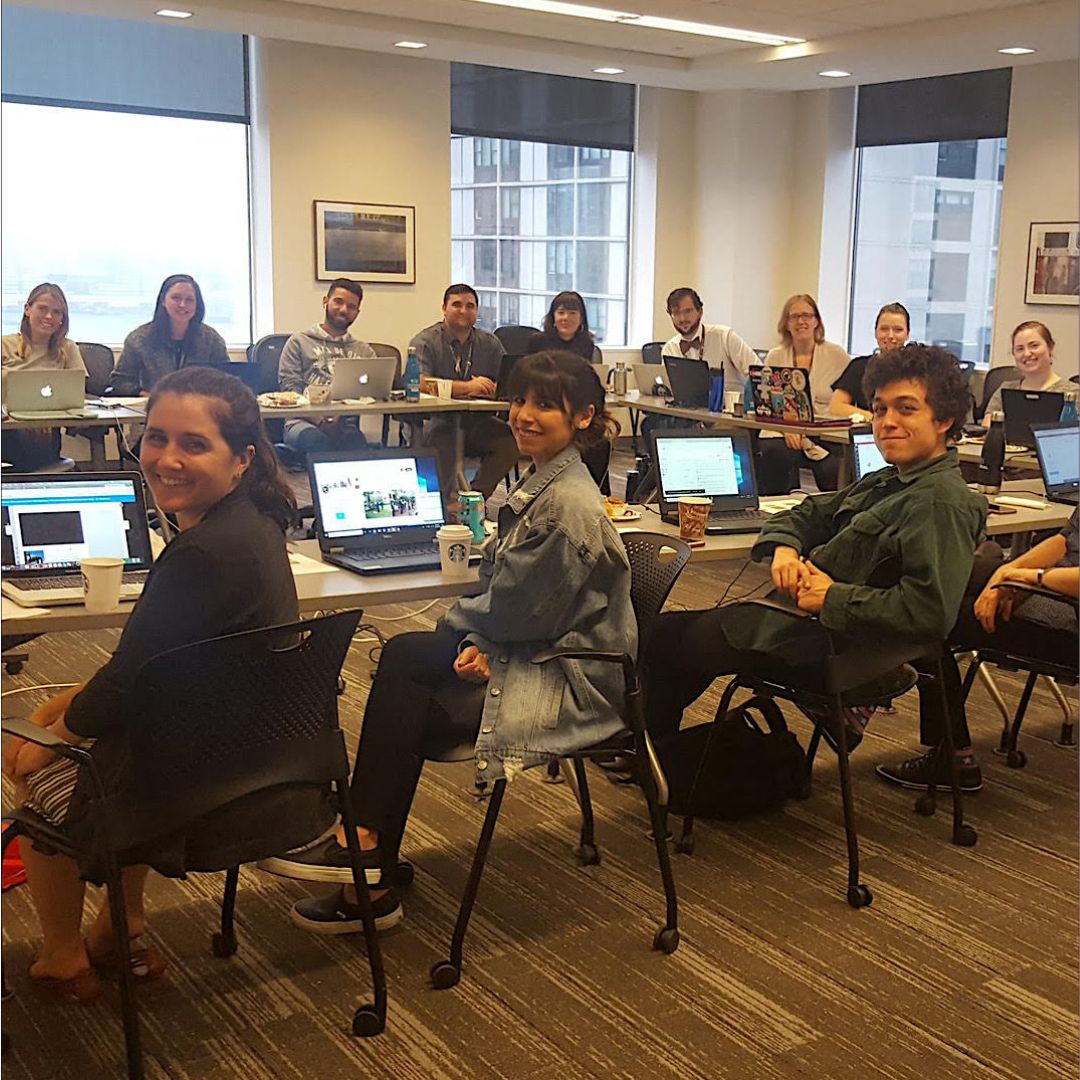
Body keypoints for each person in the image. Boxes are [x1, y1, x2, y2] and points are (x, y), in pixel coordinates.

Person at [259, 352, 637, 933]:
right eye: (519, 401)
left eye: (543, 405)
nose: (523, 415)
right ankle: (367, 852)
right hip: (540, 640)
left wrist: (480, 638)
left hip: (568, 671)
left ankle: (365, 852)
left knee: (411, 691)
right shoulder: (550, 481)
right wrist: (478, 637)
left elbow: (520, 611)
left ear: (584, 417)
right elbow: (521, 604)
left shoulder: (567, 508)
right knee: (408, 661)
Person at [2, 367, 332, 1002]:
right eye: (156, 438)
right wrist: (63, 707)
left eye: (194, 444)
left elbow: (127, 684)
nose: (167, 459)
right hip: (263, 759)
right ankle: (120, 933)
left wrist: (51, 736)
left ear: (242, 459)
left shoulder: (201, 554)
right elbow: (148, 666)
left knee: (32, 770)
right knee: (57, 714)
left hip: (192, 786)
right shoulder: (256, 524)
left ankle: (63, 959)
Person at [642, 344, 986, 763]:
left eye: (906, 409)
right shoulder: (893, 480)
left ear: (944, 419)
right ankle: (658, 755)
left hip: (827, 643)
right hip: (810, 625)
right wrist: (786, 550)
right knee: (678, 639)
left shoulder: (938, 502)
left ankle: (652, 761)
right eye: (879, 410)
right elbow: (810, 510)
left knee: (659, 638)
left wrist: (831, 597)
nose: (887, 423)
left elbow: (930, 613)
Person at [876, 507, 1078, 791]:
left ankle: (952, 759)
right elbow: (1067, 540)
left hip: (1068, 621)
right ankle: (988, 563)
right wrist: (1008, 572)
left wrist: (1030, 578)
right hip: (1051, 588)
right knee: (948, 588)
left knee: (929, 618)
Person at [410, 284, 520, 513]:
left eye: (470, 306)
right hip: (437, 422)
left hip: (477, 423)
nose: (463, 311)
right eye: (457, 305)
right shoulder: (426, 341)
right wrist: (466, 387)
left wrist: (494, 388)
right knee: (443, 446)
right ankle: (437, 508)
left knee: (510, 440)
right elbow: (419, 382)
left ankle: (474, 499)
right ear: (444, 308)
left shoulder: (489, 342)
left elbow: (509, 379)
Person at [757, 294, 851, 494]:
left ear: (816, 321)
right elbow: (766, 403)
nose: (801, 321)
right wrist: (787, 427)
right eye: (795, 317)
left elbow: (849, 396)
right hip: (782, 430)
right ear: (786, 323)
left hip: (824, 433)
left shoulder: (837, 356)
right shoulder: (775, 356)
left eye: (807, 315)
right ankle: (776, 508)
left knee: (833, 469)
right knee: (774, 452)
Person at [277, 278, 375, 454]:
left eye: (351, 307)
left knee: (356, 443)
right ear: (325, 301)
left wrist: (340, 416)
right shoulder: (298, 342)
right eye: (338, 301)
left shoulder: (364, 351)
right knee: (317, 442)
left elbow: (373, 391)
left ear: (357, 312)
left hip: (345, 423)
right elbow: (290, 390)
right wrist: (320, 420)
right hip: (301, 423)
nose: (344, 309)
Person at [1, 282, 87, 470]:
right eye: (43, 308)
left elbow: (77, 393)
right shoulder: (4, 344)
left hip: (47, 430)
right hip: (6, 427)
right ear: (27, 309)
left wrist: (42, 418)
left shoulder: (67, 348)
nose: (49, 316)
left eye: (57, 312)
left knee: (35, 442)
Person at [108, 274, 228, 396]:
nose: (182, 304)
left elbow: (227, 381)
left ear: (198, 305)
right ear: (163, 301)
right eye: (176, 298)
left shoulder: (211, 339)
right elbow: (120, 381)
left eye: (189, 300)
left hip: (200, 408)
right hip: (154, 407)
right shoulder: (139, 339)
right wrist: (144, 394)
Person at [660, 287, 758, 393]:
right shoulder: (669, 349)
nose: (682, 318)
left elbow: (757, 373)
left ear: (700, 312)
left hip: (728, 407)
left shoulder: (725, 337)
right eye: (676, 313)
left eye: (688, 311)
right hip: (685, 408)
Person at [829, 302, 911, 419]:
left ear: (907, 334)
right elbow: (836, 407)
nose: (890, 336)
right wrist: (875, 418)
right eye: (884, 329)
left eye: (898, 330)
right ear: (875, 332)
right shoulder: (859, 366)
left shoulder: (916, 369)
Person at [981, 320, 1069, 424]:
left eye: (1034, 346)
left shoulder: (1072, 393)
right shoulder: (1006, 389)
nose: (1027, 353)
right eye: (1020, 349)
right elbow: (988, 424)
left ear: (1051, 348)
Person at [526, 291, 601, 361]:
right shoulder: (538, 341)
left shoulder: (586, 343)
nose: (566, 318)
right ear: (553, 316)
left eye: (572, 313)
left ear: (581, 318)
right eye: (561, 312)